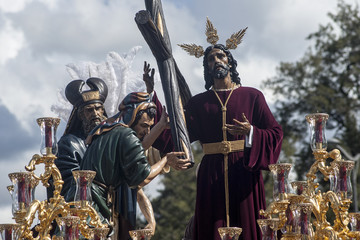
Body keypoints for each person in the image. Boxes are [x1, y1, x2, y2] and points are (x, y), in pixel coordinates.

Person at [182, 42, 283, 239]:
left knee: (248, 225)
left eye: (221, 56)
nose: (217, 61)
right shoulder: (198, 103)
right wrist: (159, 114)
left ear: (230, 61)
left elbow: (276, 132)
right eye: (211, 59)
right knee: (211, 225)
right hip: (211, 174)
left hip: (244, 172)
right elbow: (179, 136)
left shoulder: (252, 96)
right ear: (207, 67)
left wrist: (251, 131)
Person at [80, 91, 190, 239]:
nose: (147, 131)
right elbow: (142, 178)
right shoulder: (126, 134)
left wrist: (161, 125)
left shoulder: (109, 129)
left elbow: (138, 148)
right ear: (132, 116)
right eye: (144, 125)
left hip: (84, 197)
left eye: (150, 126)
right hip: (94, 202)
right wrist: (166, 161)